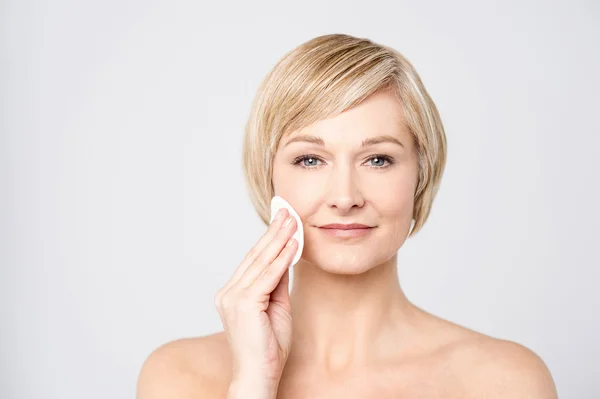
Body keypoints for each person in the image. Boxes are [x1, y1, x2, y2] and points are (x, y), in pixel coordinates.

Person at [136, 33, 558, 398]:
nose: (344, 197)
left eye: (377, 160)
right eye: (309, 160)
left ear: (421, 175)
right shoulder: (178, 377)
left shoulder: (506, 381)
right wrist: (253, 384)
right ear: (268, 177)